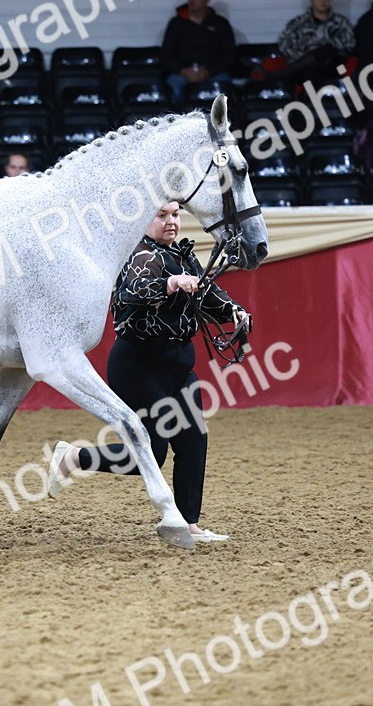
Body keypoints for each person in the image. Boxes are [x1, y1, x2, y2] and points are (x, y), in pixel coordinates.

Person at [46, 201, 250, 542]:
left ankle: (188, 524)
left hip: (179, 365)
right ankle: (74, 456)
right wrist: (169, 284)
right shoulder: (137, 256)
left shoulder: (181, 255)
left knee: (193, 442)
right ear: (143, 220)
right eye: (162, 216)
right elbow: (133, 292)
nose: (171, 222)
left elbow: (206, 291)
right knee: (152, 452)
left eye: (175, 215)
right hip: (139, 366)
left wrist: (234, 310)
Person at [159, 0, 236, 102]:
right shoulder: (176, 24)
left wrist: (208, 72)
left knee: (223, 89)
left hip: (213, 72)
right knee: (174, 87)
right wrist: (183, 71)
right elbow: (165, 56)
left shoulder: (220, 24)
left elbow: (229, 56)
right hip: (182, 73)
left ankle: (221, 120)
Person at [273, 0, 355, 86]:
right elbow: (283, 43)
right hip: (304, 69)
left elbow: (350, 44)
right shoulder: (298, 23)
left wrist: (321, 49)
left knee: (326, 51)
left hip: (333, 65)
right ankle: (312, 100)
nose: (323, 0)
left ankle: (280, 74)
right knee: (311, 73)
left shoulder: (341, 22)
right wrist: (305, 56)